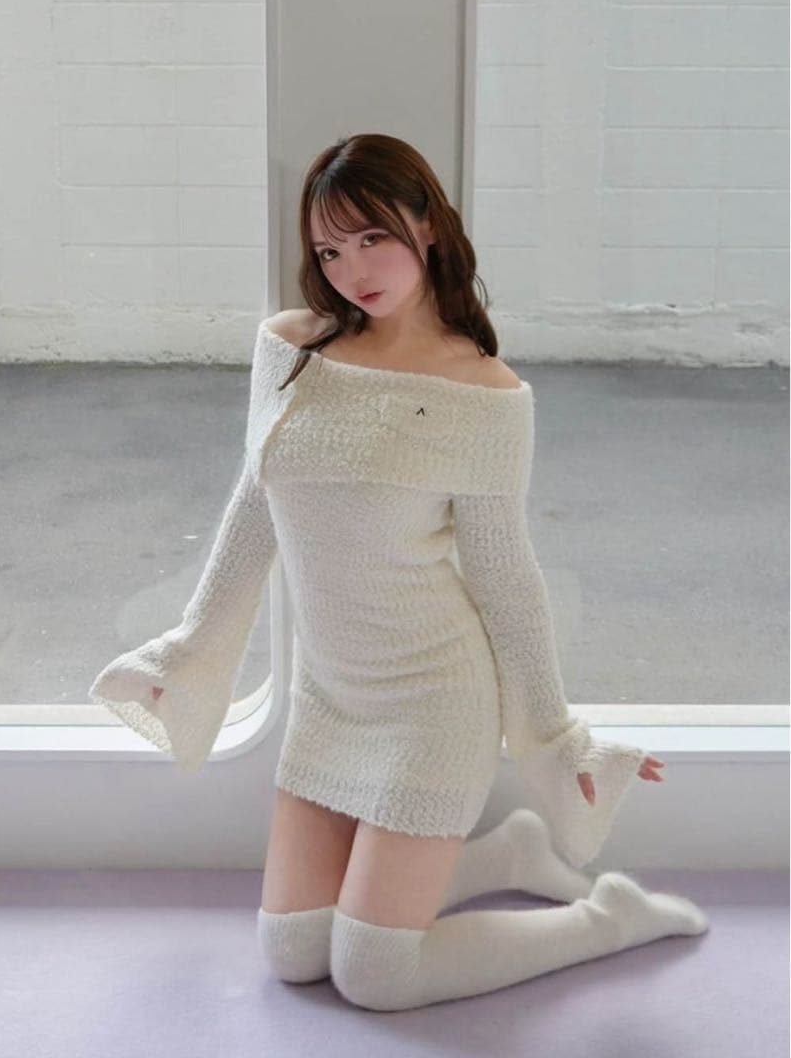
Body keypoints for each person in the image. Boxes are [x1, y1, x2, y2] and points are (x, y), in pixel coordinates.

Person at [89, 133, 708, 1012]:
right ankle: (501, 857)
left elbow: (505, 578)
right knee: (294, 952)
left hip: (432, 701)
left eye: (371, 238)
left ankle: (607, 919)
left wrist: (556, 734)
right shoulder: (290, 348)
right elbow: (255, 505)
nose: (350, 271)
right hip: (329, 694)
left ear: (426, 226)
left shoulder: (486, 394)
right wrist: (189, 647)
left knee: (375, 975)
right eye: (328, 251)